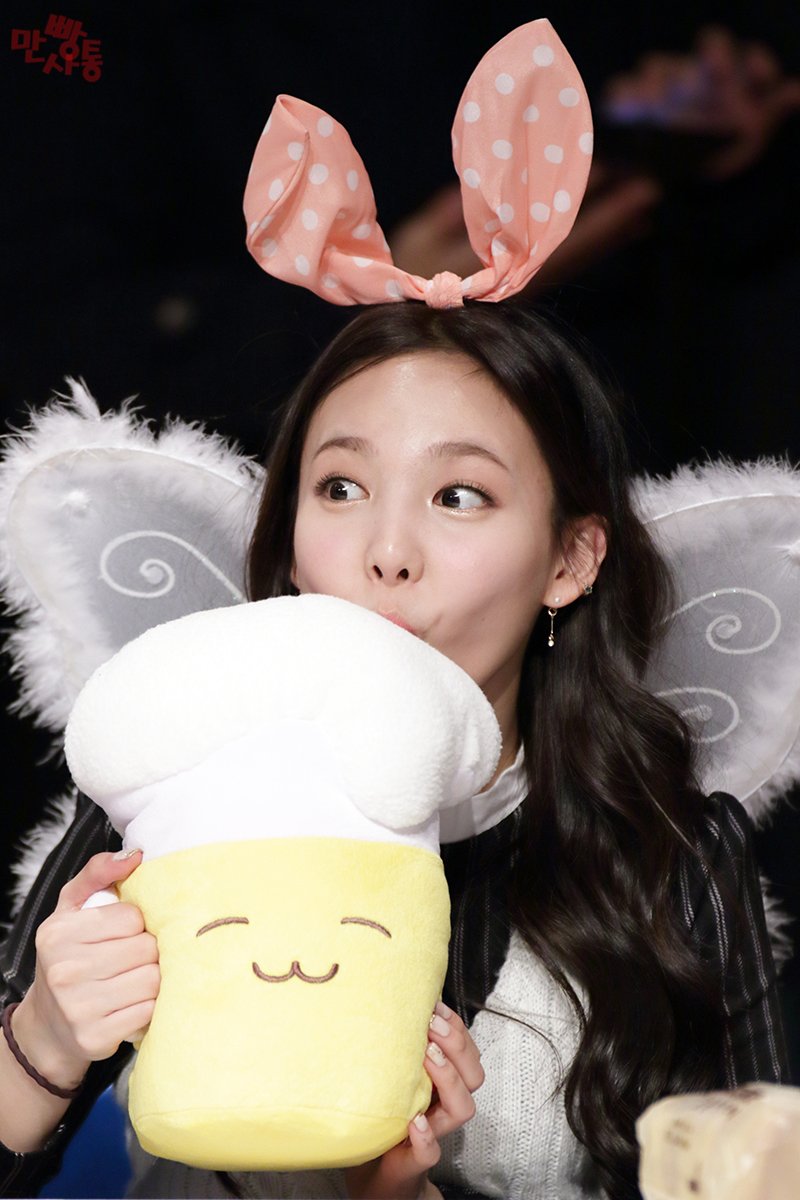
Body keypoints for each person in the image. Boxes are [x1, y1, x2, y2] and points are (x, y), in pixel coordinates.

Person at [0, 18, 789, 1200]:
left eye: (459, 495)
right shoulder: (167, 797)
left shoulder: (669, 853)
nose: (386, 551)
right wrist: (43, 1043)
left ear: (569, 559)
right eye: (339, 487)